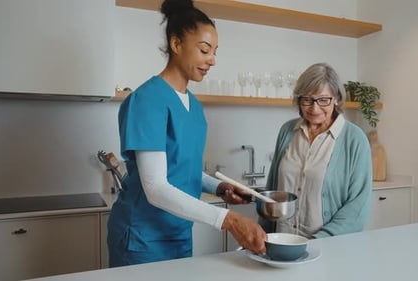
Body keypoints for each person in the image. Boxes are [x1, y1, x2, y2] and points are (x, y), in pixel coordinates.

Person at [107, 0, 266, 267]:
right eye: (204, 50)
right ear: (176, 44)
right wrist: (228, 220)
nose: (212, 60)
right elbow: (156, 187)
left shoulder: (193, 105)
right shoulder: (147, 100)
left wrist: (219, 187)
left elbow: (184, 169)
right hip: (142, 239)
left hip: (178, 234)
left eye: (215, 51)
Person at [262, 62, 373, 238]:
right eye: (307, 100)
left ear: (336, 98)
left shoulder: (355, 139)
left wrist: (319, 241)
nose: (314, 108)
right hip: (282, 241)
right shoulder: (287, 131)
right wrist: (263, 235)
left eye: (323, 100)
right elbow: (273, 191)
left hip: (327, 248)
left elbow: (358, 206)